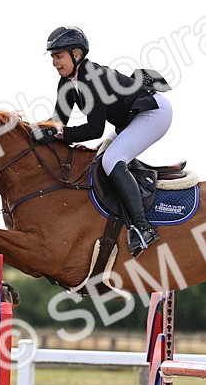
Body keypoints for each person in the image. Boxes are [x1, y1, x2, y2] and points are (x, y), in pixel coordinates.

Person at [36, 25, 172, 257]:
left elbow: (94, 130)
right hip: (132, 117)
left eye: (59, 56)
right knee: (99, 159)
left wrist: (58, 134)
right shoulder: (67, 83)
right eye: (53, 57)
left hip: (152, 112)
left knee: (112, 160)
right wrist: (35, 129)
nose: (54, 62)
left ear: (76, 55)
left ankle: (143, 227)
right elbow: (59, 121)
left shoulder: (93, 78)